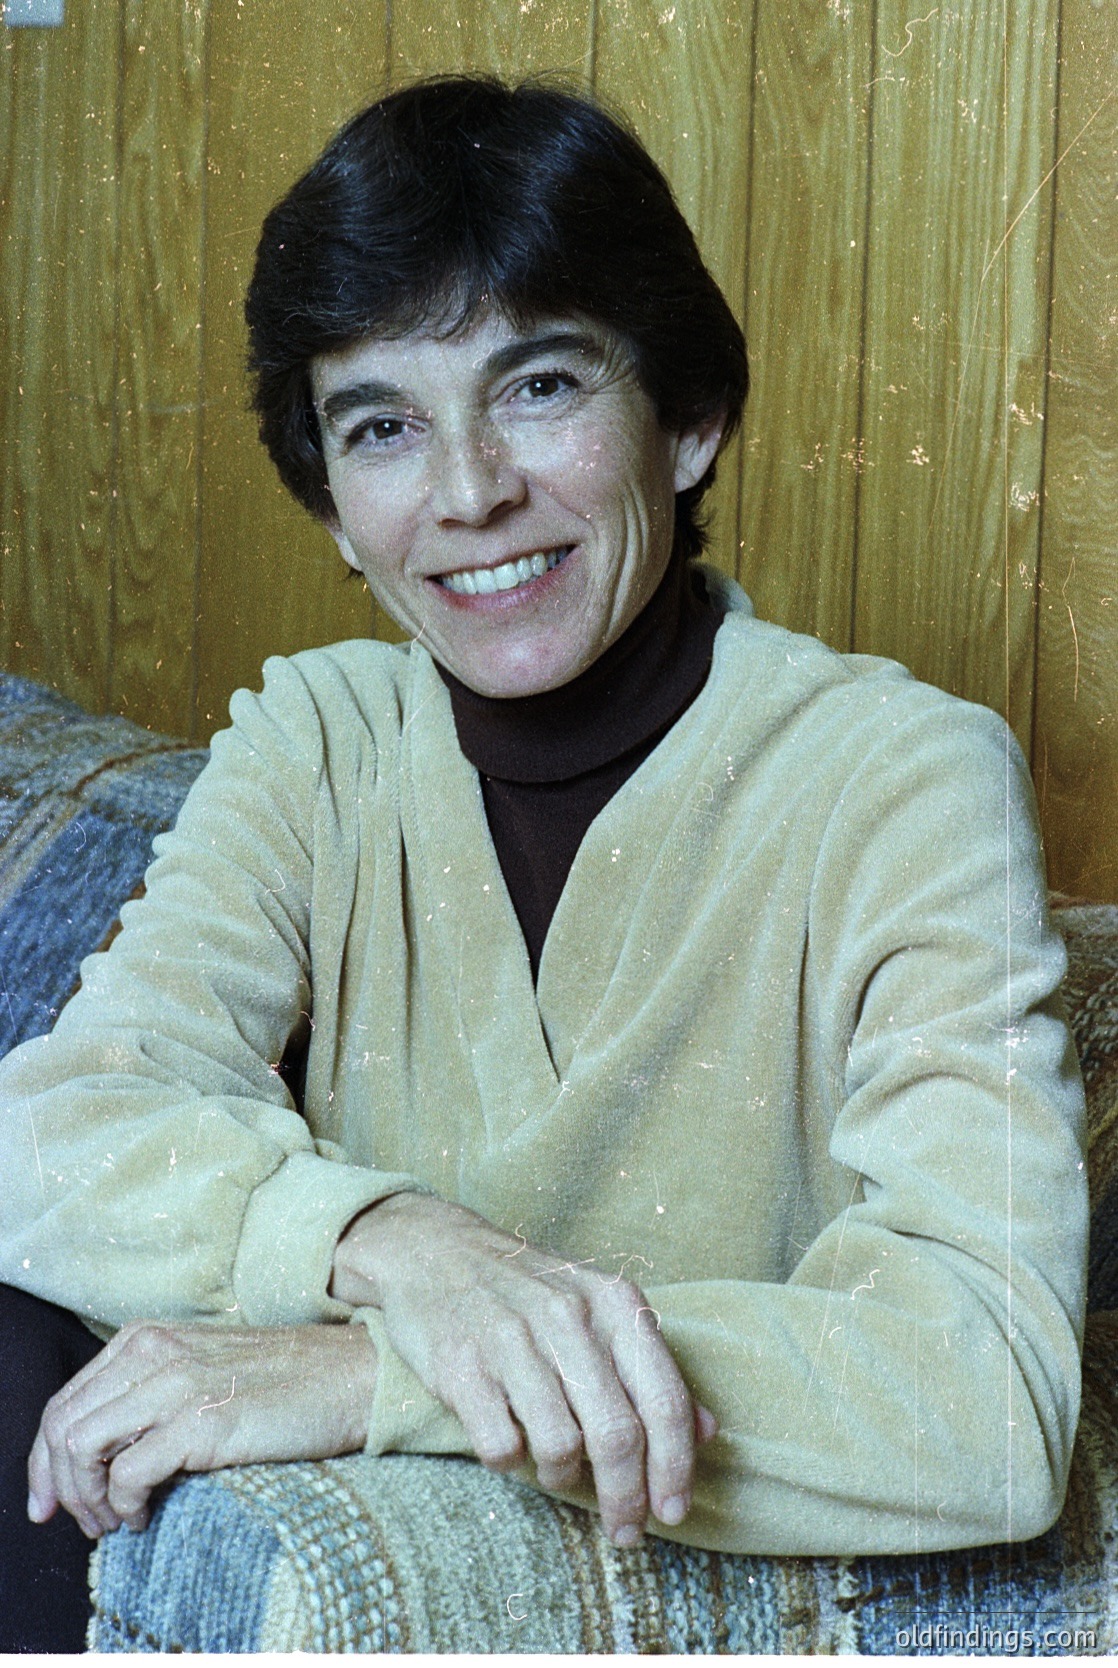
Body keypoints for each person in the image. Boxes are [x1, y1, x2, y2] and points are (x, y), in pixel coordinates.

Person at [0, 74, 1088, 1652]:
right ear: (332, 506)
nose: (465, 493)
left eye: (538, 388)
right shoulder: (322, 735)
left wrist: (395, 1369)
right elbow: (53, 1128)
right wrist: (401, 1250)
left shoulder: (898, 776)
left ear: (690, 418)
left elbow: (983, 1390)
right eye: (380, 425)